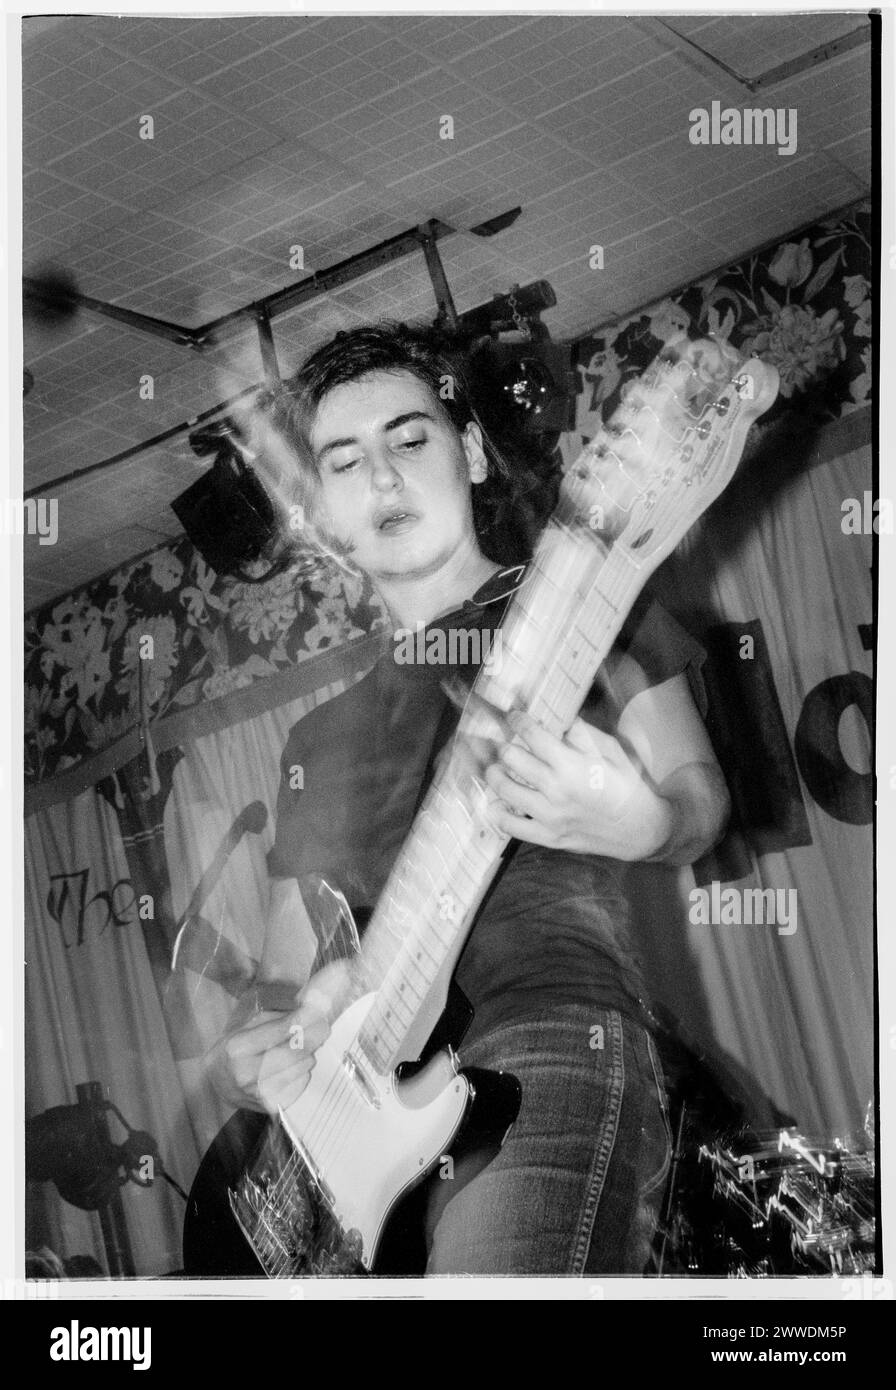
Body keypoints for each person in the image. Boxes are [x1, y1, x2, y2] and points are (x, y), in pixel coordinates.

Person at [206, 322, 731, 1275]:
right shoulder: (315, 744)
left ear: (476, 454)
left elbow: (700, 804)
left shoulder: (584, 598)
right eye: (346, 460)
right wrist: (263, 1054)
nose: (383, 477)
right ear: (323, 510)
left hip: (550, 1035)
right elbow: (289, 981)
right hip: (369, 1133)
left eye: (410, 439)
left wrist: (642, 821)